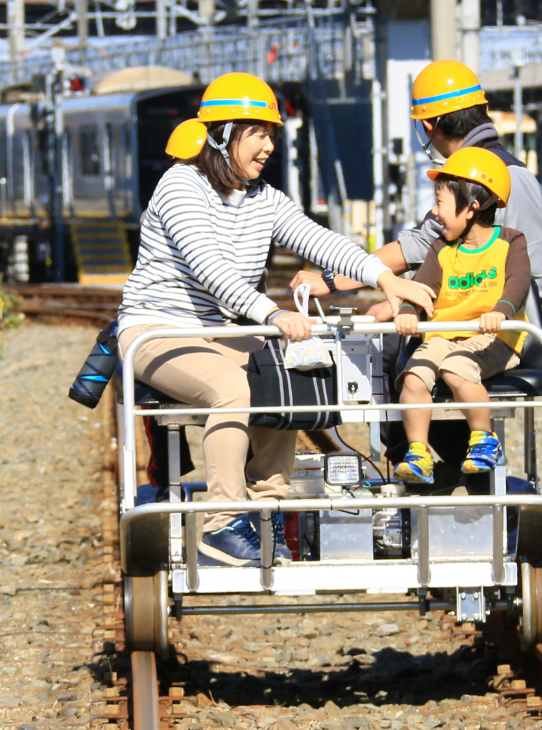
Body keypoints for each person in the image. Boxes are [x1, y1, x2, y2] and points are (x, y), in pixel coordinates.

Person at [117, 72, 434, 567]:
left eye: (272, 134)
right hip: (159, 329)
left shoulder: (261, 197)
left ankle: (266, 511)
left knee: (292, 377)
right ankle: (223, 523)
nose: (268, 145)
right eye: (258, 133)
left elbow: (316, 238)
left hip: (227, 332)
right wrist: (271, 313)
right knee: (231, 387)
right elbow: (208, 266)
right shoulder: (180, 185)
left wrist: (383, 277)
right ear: (221, 134)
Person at [290, 59, 542, 361]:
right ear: (483, 111)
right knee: (390, 329)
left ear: (427, 126)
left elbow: (416, 248)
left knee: (375, 358)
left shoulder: (473, 180)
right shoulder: (512, 169)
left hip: (514, 327)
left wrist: (329, 281)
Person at [393, 148, 531, 485]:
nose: (435, 212)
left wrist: (501, 311)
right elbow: (420, 286)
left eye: (440, 203)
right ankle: (419, 452)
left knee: (457, 368)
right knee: (414, 376)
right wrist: (409, 312)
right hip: (444, 335)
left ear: (470, 207)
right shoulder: (441, 248)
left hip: (494, 336)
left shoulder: (510, 242)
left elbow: (518, 282)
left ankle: (484, 440)